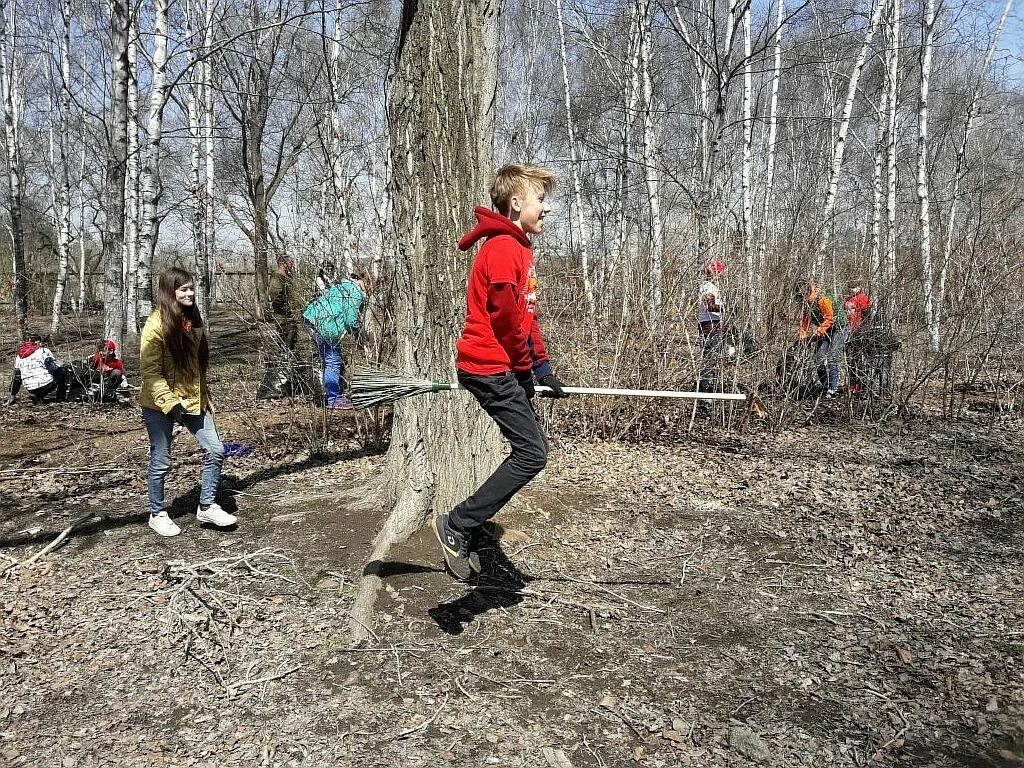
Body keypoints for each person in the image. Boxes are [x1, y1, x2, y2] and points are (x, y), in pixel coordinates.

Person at [432, 163, 571, 581]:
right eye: (540, 199)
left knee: (532, 451)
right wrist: (524, 371)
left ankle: (462, 526)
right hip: (488, 366)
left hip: (499, 365)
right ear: (516, 203)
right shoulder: (505, 248)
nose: (546, 208)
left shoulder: (518, 248)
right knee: (533, 453)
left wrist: (542, 368)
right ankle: (457, 524)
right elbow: (507, 322)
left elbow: (527, 319)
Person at [140, 267, 236, 537]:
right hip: (159, 404)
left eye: (192, 288)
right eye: (183, 289)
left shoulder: (193, 321)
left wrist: (204, 396)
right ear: (170, 292)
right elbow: (150, 373)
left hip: (193, 400)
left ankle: (206, 505)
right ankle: (157, 513)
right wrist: (171, 404)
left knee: (216, 449)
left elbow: (196, 367)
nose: (190, 293)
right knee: (161, 459)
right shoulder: (155, 326)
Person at [303, 272, 367, 409]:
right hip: (325, 326)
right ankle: (333, 399)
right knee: (333, 360)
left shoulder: (342, 286)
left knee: (329, 359)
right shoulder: (355, 292)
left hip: (311, 319)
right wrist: (359, 337)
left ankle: (332, 394)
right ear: (364, 281)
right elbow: (351, 320)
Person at [796, 280, 848, 399]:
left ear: (807, 291)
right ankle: (825, 384)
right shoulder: (806, 305)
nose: (800, 299)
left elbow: (829, 318)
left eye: (802, 295)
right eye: (798, 297)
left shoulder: (822, 298)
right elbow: (805, 322)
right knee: (818, 357)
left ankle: (832, 388)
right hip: (825, 328)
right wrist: (803, 338)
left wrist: (818, 331)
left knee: (833, 357)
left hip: (839, 327)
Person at [6, 334, 68, 405]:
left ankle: (38, 396)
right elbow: (53, 369)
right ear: (38, 342)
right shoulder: (43, 351)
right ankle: (60, 398)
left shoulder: (19, 356)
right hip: (45, 384)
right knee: (63, 371)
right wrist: (61, 366)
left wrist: (12, 395)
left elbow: (17, 377)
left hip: (30, 388)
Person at [697, 260, 727, 392]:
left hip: (714, 325)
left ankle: (711, 386)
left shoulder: (712, 287)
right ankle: (706, 388)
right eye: (720, 274)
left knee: (714, 358)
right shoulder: (708, 287)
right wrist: (726, 309)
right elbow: (710, 306)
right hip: (710, 327)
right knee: (710, 358)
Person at [843, 281, 873, 395]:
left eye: (854, 287)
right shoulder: (847, 300)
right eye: (850, 287)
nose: (852, 289)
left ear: (859, 287)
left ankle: (859, 384)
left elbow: (867, 316)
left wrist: (862, 331)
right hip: (847, 331)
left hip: (858, 332)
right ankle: (851, 383)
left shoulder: (863, 298)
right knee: (849, 359)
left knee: (858, 360)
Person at [267, 254, 298, 354]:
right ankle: (283, 359)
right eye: (290, 262)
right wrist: (285, 306)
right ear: (282, 263)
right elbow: (275, 295)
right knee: (285, 337)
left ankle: (289, 358)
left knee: (292, 336)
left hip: (289, 312)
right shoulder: (277, 276)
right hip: (282, 313)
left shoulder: (288, 276)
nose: (292, 265)